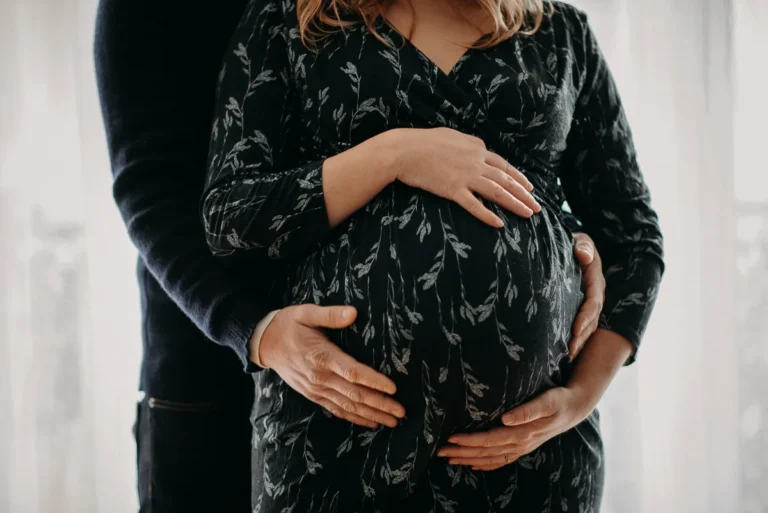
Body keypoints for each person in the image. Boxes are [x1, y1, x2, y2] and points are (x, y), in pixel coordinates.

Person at [94, 0, 611, 511]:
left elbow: (523, 163)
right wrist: (253, 330)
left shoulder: (546, 30)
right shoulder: (241, 18)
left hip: (511, 450)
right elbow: (153, 192)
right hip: (221, 361)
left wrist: (568, 241)